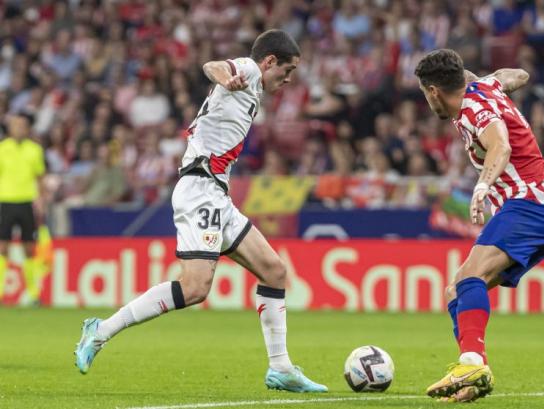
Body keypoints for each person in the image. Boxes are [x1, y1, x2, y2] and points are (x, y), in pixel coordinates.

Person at [74, 30, 327, 393]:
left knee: (274, 271)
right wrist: (227, 75)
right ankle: (100, 332)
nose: (288, 79)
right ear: (269, 61)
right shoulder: (249, 72)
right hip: (200, 190)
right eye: (286, 70)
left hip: (216, 195)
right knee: (194, 288)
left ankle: (281, 368)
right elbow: (213, 65)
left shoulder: (254, 90)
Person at [414, 49, 544, 402]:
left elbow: (501, 146)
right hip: (543, 207)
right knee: (457, 289)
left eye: (425, 94)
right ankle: (474, 373)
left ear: (434, 91)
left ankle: (471, 362)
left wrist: (482, 186)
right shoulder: (487, 88)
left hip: (530, 204)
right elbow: (520, 74)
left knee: (470, 278)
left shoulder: (472, 109)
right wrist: (485, 80)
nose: (428, 102)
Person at [0, 112, 47, 304]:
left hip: (27, 202)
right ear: (10, 129)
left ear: (27, 129)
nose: (18, 129)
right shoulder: (2, 149)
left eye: (22, 126)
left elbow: (40, 177)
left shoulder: (34, 150)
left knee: (29, 247)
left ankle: (33, 294)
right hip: (6, 201)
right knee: (3, 247)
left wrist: (41, 200)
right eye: (15, 125)